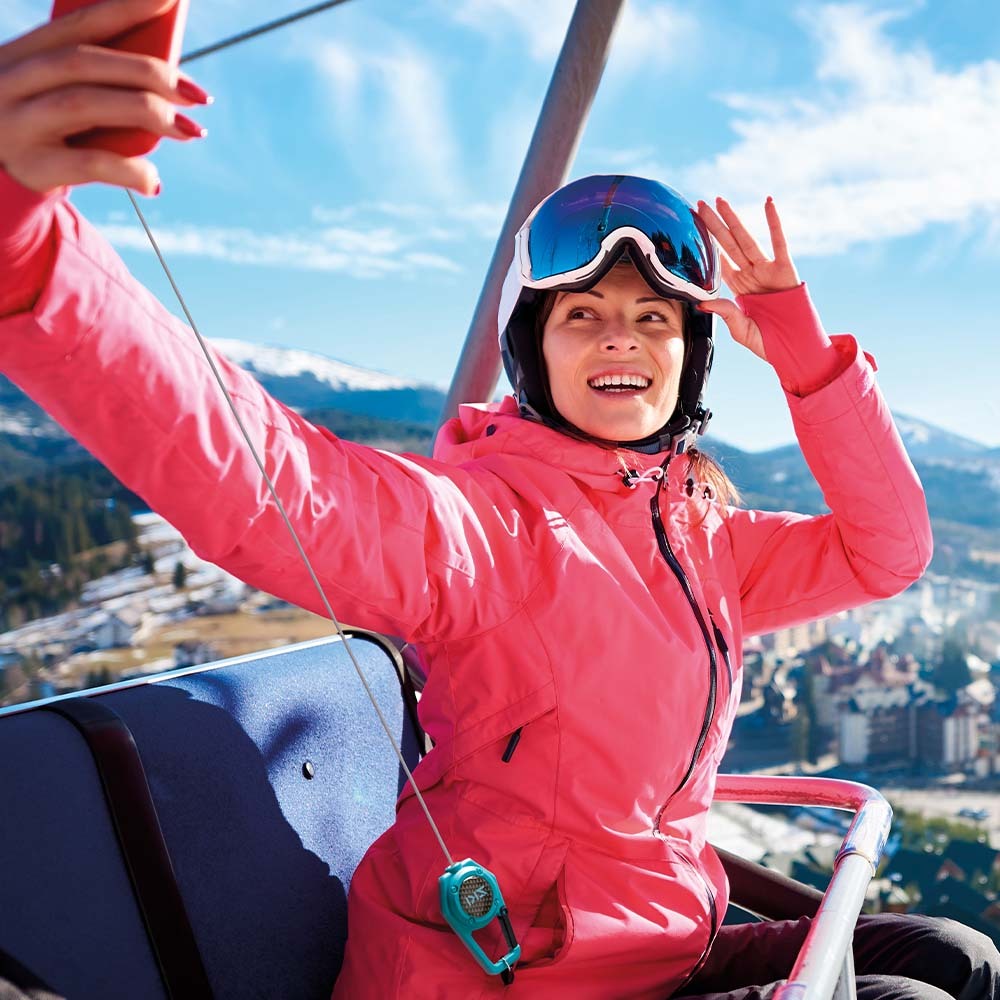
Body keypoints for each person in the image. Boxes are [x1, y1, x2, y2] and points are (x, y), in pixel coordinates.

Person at [1, 3, 997, 999]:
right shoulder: (484, 531)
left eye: (653, 319)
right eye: (582, 316)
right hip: (519, 977)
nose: (620, 339)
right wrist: (26, 251)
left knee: (949, 954)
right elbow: (271, 485)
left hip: (658, 947)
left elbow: (889, 550)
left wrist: (804, 355)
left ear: (684, 360)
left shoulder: (703, 537)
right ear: (535, 352)